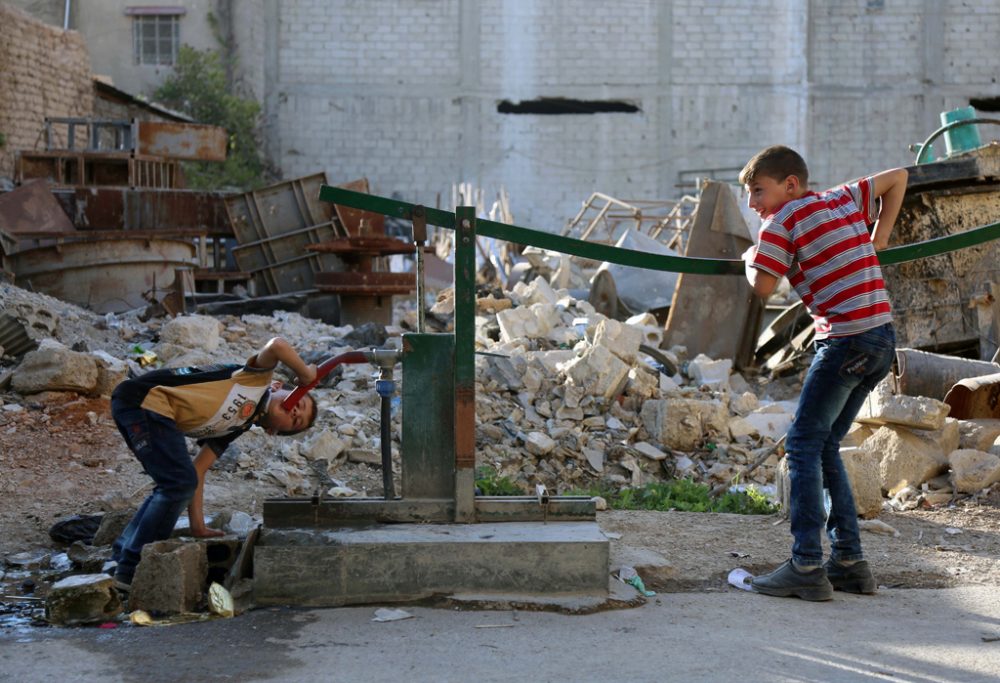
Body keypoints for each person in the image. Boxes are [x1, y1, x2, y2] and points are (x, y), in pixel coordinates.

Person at [740, 145, 908, 601]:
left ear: (790, 185)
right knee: (826, 442)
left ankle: (807, 565)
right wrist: (881, 235)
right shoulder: (839, 198)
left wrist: (752, 253)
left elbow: (763, 286)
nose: (754, 204)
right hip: (880, 336)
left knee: (800, 445)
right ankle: (850, 562)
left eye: (758, 192)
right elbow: (898, 176)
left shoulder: (781, 223)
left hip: (844, 339)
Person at [109, 336, 318, 592]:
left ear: (272, 432)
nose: (296, 411)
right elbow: (277, 345)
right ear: (277, 385)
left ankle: (120, 556)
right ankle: (131, 568)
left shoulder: (235, 427)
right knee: (177, 483)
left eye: (297, 421)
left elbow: (199, 469)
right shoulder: (255, 380)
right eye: (300, 402)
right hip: (145, 400)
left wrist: (197, 525)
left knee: (175, 482)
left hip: (149, 410)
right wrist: (306, 374)